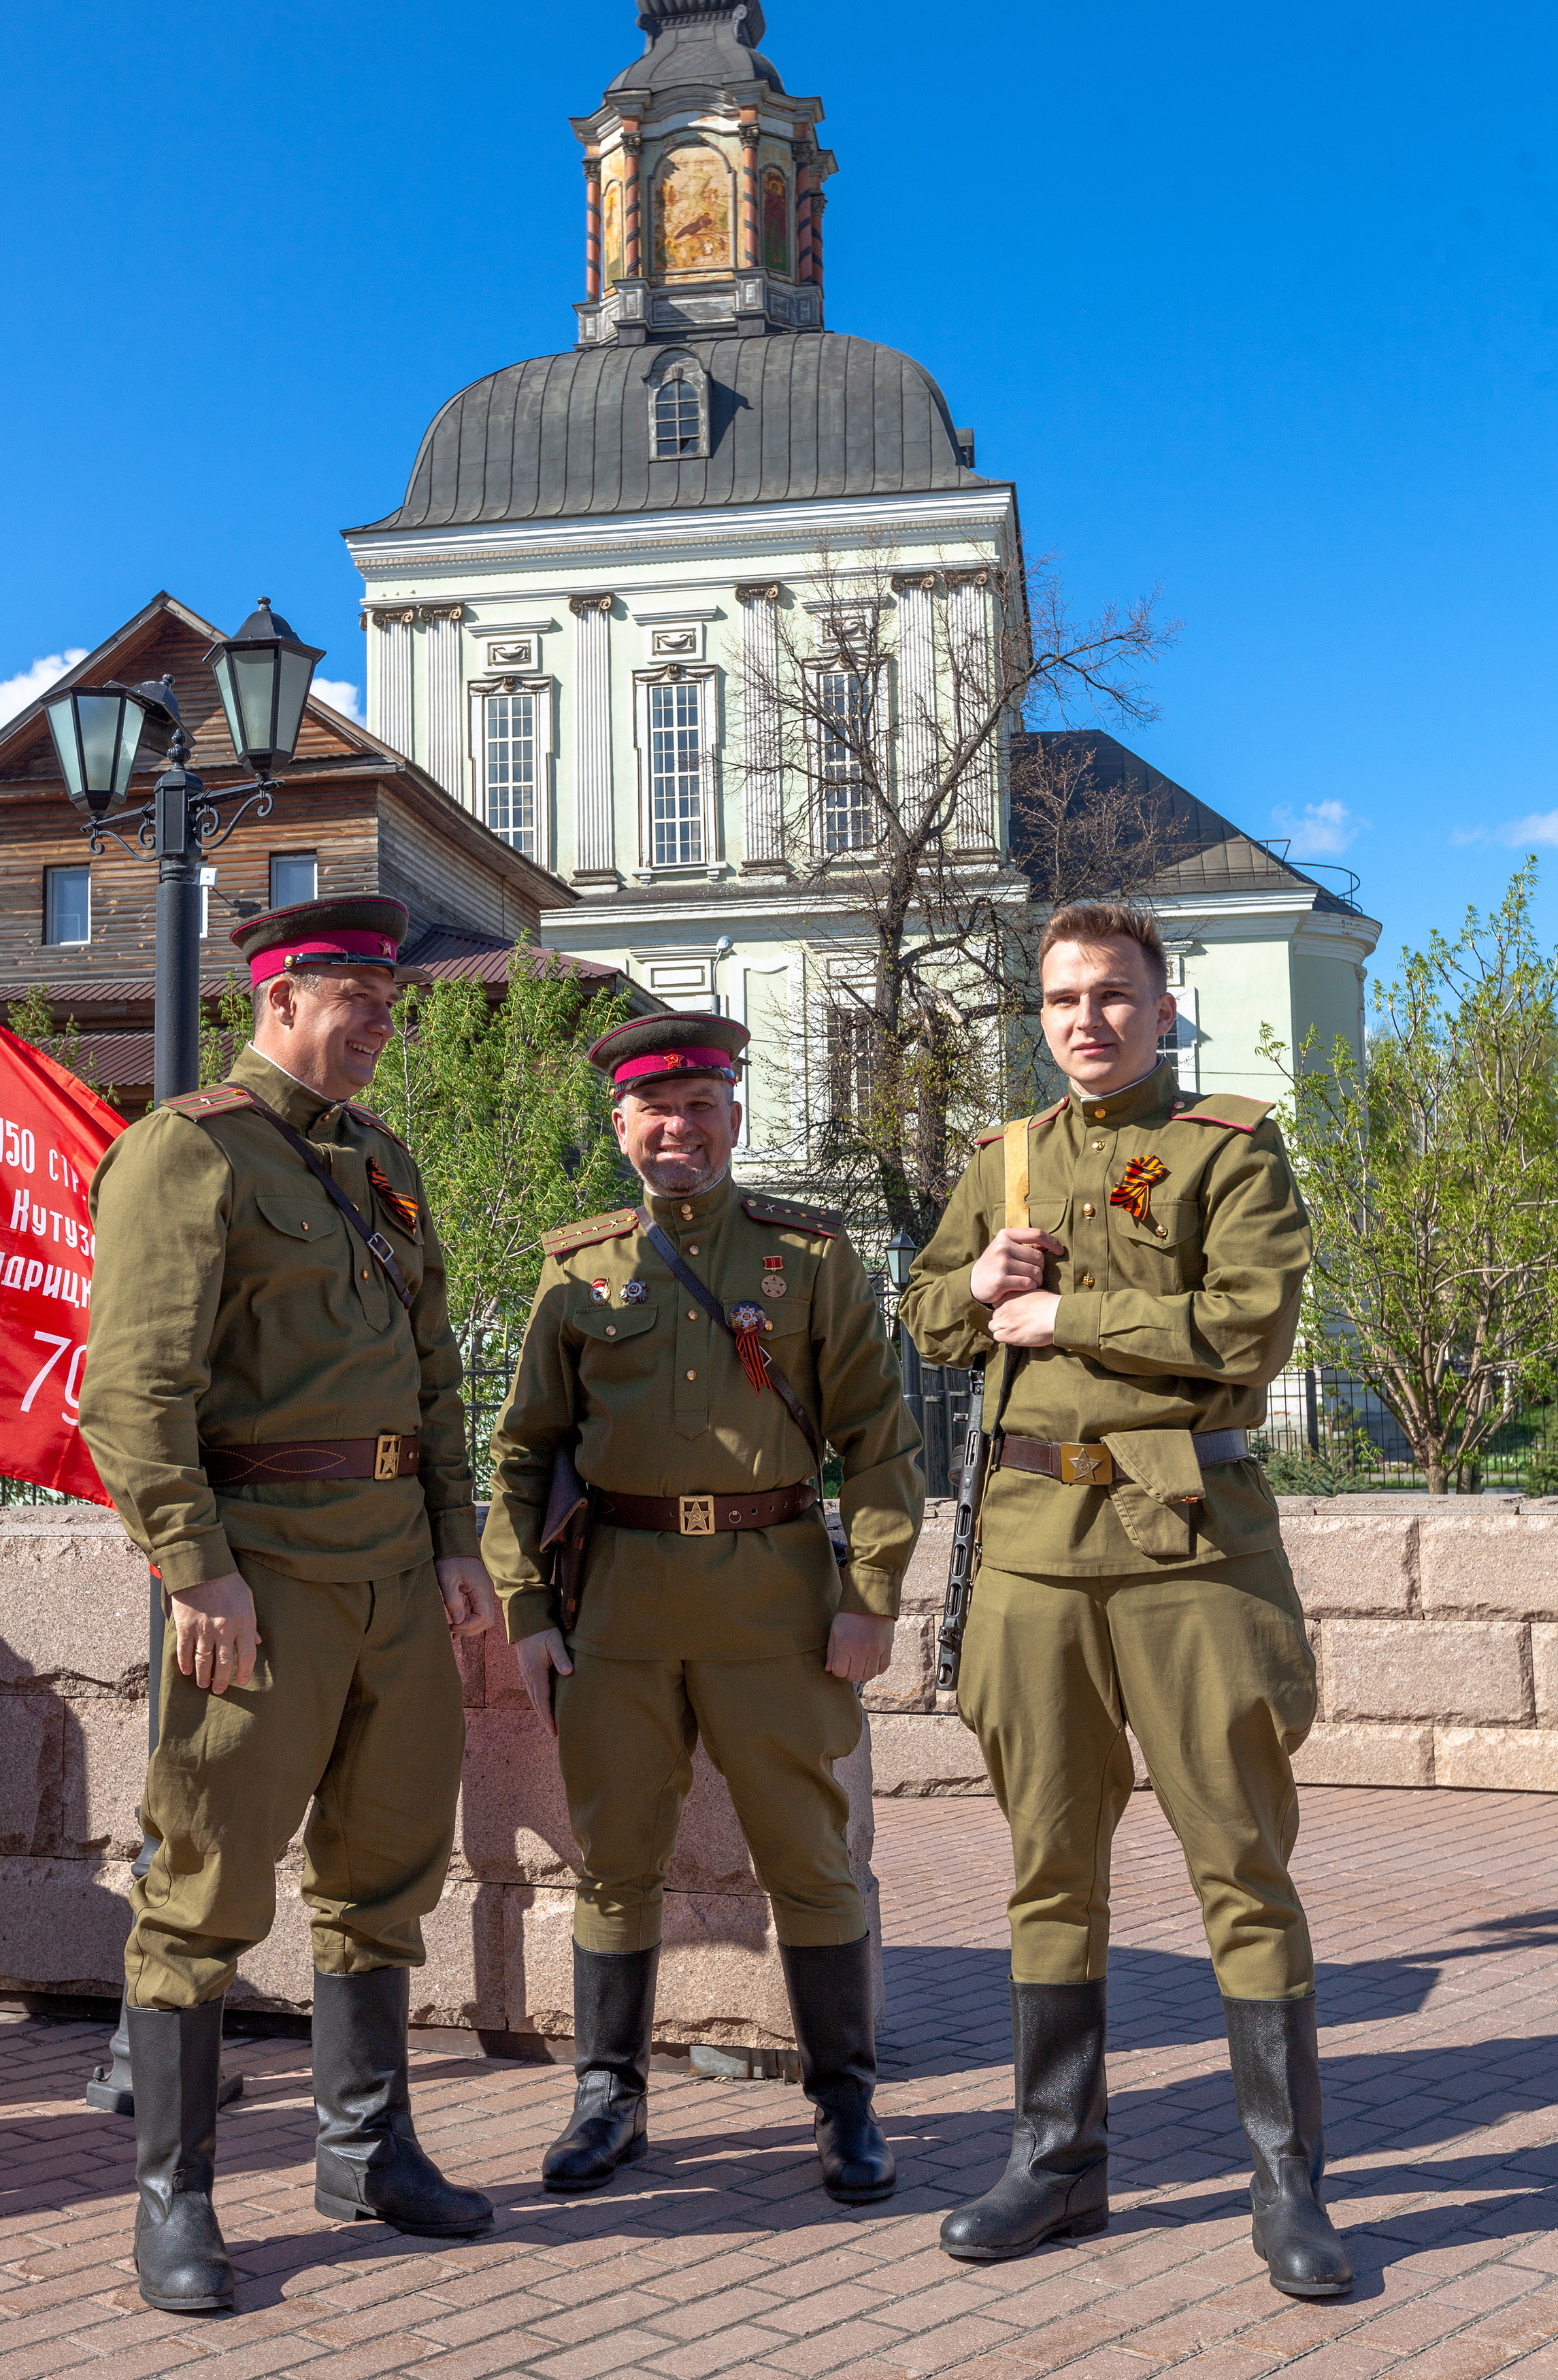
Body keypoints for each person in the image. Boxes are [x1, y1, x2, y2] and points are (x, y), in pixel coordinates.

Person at [899, 901, 1351, 2300]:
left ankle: (1287, 2185)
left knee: (1240, 1863)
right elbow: (926, 1317)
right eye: (1059, 1000)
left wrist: (1066, 1316)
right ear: (1038, 1019)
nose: (1084, 1019)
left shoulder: (1227, 1150)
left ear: (1162, 1009)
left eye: (1109, 995)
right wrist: (975, 1283)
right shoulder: (1003, 1161)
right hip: (1033, 1552)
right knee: (1048, 1867)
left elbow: (1247, 1329)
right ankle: (1056, 2162)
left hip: (1188, 1546)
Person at [80, 894, 498, 2315]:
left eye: (388, 1005)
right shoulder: (187, 1150)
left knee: (383, 1877)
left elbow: (433, 1377)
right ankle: (174, 2201)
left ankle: (367, 2155)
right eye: (357, 1004)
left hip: (394, 1568)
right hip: (260, 1574)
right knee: (205, 1886)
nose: (381, 1027)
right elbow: (132, 1389)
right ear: (279, 1002)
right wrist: (196, 1567)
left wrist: (455, 1545)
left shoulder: (381, 1161)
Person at [482, 1012, 923, 2206]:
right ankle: (608, 2097)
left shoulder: (809, 1259)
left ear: (735, 1116)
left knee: (810, 1861)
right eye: (655, 1111)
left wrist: (871, 1596)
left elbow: (881, 1444)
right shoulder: (580, 1270)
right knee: (614, 1861)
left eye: (700, 1108)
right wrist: (527, 1609)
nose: (678, 1129)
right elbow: (523, 1455)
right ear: (620, 1125)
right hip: (618, 1607)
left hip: (775, 1603)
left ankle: (845, 2104)